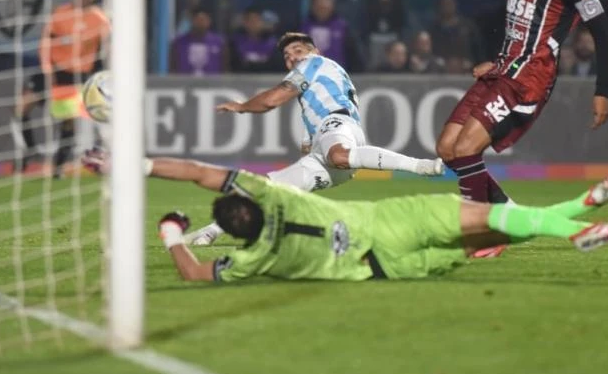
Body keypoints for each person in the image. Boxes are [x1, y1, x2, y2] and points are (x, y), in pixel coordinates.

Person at [83, 152, 608, 283]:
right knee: (496, 218)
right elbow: (200, 172)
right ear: (250, 201)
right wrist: (136, 163)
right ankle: (580, 228)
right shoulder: (274, 196)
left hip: (385, 269)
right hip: (390, 223)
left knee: (491, 236)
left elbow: (192, 273)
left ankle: (581, 209)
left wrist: (171, 232)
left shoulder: (253, 260)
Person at [435, 0, 608, 223]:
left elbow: (603, 35)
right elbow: (519, 24)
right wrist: (498, 60)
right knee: (448, 148)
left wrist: (602, 91)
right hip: (503, 70)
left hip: (529, 79)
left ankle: (479, 230)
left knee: (465, 149)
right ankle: (508, 213)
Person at [186, 31, 443, 246]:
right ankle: (212, 231)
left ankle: (420, 165)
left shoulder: (312, 64)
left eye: (297, 51)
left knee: (338, 155)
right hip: (331, 147)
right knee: (269, 188)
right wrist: (307, 148)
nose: (292, 58)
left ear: (314, 51)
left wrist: (242, 106)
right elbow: (311, 131)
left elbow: (273, 99)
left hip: (338, 127)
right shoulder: (318, 82)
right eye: (287, 56)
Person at [9, 0, 110, 176]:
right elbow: (45, 44)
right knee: (21, 106)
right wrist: (48, 71)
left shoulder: (99, 19)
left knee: (67, 120)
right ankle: (27, 150)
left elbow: (107, 50)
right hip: (54, 70)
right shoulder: (60, 14)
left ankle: (58, 166)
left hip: (77, 75)